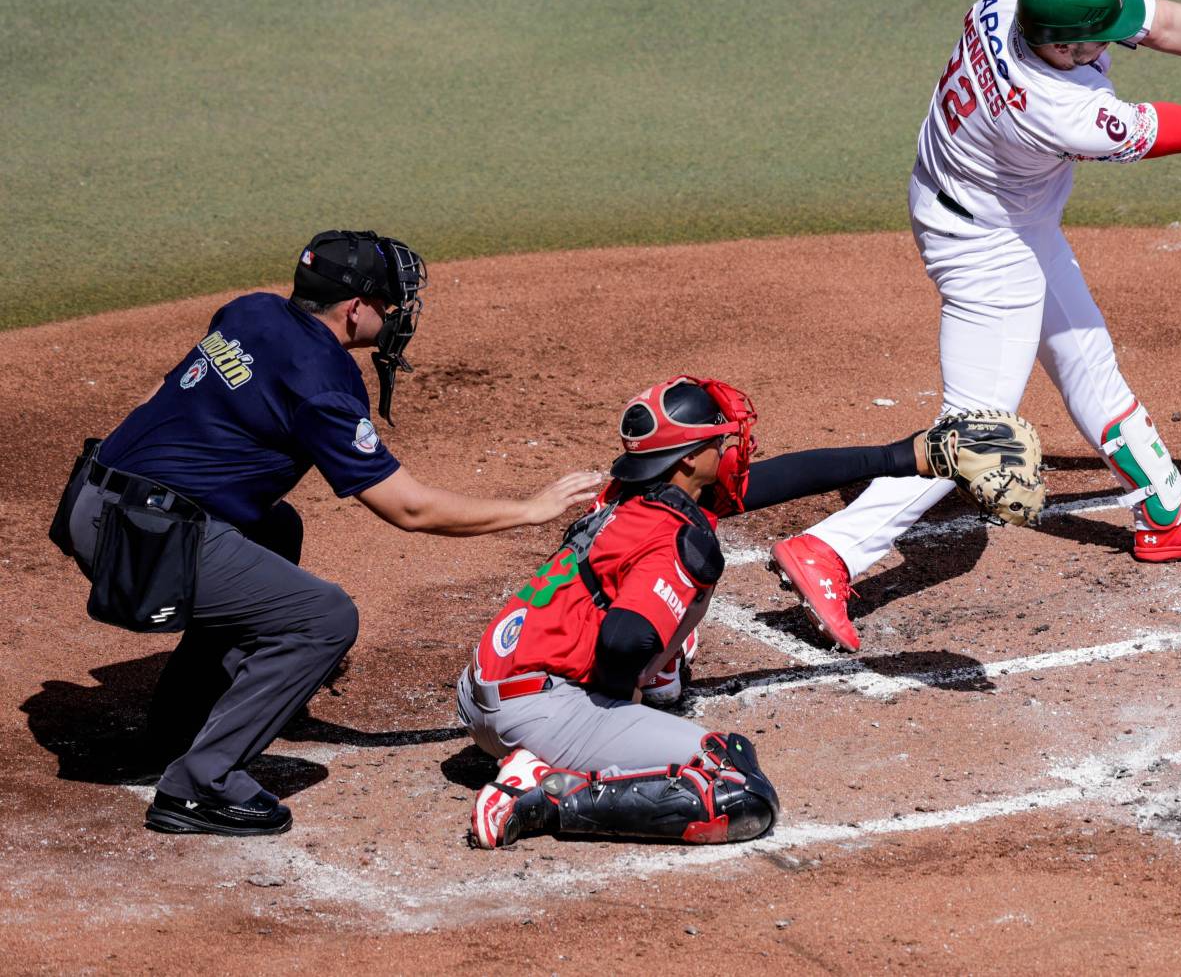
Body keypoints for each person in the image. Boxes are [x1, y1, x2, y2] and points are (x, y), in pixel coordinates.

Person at [769, 0, 1181, 651]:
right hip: (984, 245)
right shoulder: (1059, 109)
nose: (1113, 43)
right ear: (1065, 45)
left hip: (990, 204)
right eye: (1098, 39)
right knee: (978, 436)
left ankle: (1165, 513)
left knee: (1085, 354)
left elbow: (1163, 20)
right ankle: (831, 549)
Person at [46, 230, 602, 837]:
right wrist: (530, 509)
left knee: (274, 528)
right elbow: (409, 509)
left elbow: (163, 389)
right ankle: (197, 786)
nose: (396, 319)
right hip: (140, 538)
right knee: (324, 619)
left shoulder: (250, 311)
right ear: (355, 309)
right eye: (390, 306)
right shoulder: (323, 382)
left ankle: (177, 729)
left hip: (91, 497)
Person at [459, 379, 1041, 849]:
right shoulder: (676, 532)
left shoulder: (629, 491)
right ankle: (539, 794)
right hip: (539, 713)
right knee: (735, 788)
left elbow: (783, 478)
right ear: (690, 459)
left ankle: (617, 710)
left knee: (663, 622)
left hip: (494, 684)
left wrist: (907, 456)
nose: (737, 448)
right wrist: (614, 706)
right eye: (723, 440)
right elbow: (625, 638)